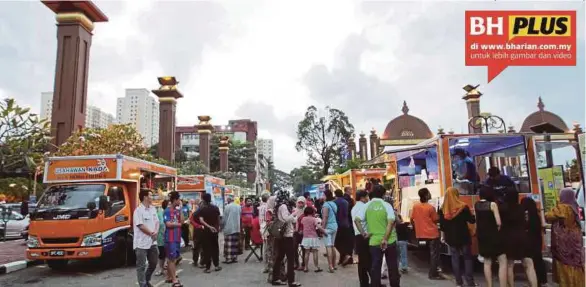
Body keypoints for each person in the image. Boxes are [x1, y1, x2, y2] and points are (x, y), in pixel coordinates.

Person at [356, 185, 400, 287]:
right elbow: (390, 222)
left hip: (374, 241)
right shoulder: (387, 205)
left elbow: (357, 220)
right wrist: (385, 239)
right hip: (390, 241)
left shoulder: (366, 206)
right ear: (383, 194)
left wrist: (363, 234)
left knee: (375, 267)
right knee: (392, 267)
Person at [545, 188, 585, 287]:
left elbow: (548, 216)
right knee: (576, 264)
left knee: (565, 265)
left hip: (564, 244)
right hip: (575, 241)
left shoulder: (563, 207)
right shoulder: (574, 206)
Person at [439, 187, 477, 287]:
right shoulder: (463, 207)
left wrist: (443, 236)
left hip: (451, 238)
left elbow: (442, 226)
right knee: (467, 258)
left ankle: (458, 282)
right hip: (464, 236)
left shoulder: (442, 210)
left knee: (455, 258)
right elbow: (471, 220)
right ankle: (470, 282)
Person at [500, 188, 537, 287]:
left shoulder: (502, 208)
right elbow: (526, 223)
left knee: (510, 265)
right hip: (522, 237)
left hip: (508, 238)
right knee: (529, 264)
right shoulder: (521, 208)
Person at [474, 186, 506, 287]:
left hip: (482, 236)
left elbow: (476, 220)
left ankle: (489, 285)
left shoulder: (477, 205)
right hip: (493, 236)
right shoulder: (492, 205)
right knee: (502, 260)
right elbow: (499, 222)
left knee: (487, 261)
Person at [409, 187, 443, 280]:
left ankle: (434, 271)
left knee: (429, 254)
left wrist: (417, 227)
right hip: (432, 234)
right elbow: (436, 220)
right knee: (434, 254)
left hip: (421, 234)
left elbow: (412, 219)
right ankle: (433, 274)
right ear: (426, 195)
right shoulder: (431, 207)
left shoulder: (415, 206)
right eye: (429, 193)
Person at [271, 190, 302, 287]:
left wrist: (293, 217)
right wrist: (294, 215)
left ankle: (275, 279)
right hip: (287, 236)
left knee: (279, 257)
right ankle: (291, 281)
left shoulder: (278, 206)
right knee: (290, 258)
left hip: (281, 236)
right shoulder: (284, 206)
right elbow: (286, 219)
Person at [133, 189, 159, 287]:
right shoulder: (138, 211)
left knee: (153, 263)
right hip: (141, 243)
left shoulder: (153, 208)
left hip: (152, 242)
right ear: (145, 197)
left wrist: (155, 232)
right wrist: (152, 233)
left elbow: (157, 222)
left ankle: (146, 280)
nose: (152, 197)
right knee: (141, 266)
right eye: (151, 195)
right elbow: (140, 225)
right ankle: (143, 285)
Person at [522, 197, 547, 286]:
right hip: (537, 239)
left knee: (529, 263)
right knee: (538, 259)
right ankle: (541, 279)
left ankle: (533, 281)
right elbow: (542, 226)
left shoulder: (525, 215)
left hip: (528, 240)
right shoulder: (536, 215)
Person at [198, 193, 222, 273]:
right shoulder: (215, 208)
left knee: (206, 249)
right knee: (215, 247)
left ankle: (208, 268)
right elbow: (218, 219)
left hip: (206, 231)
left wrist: (208, 227)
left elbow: (201, 220)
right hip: (214, 231)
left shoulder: (202, 209)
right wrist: (217, 227)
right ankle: (217, 265)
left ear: (203, 200)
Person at [352, 190, 371, 287]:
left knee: (362, 261)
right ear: (362, 198)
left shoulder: (354, 208)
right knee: (368, 260)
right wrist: (364, 233)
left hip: (357, 236)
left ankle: (364, 283)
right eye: (367, 197)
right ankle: (372, 282)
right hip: (365, 236)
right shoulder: (364, 207)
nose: (368, 199)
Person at [164, 191, 183, 287]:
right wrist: (178, 224)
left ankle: (168, 277)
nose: (180, 201)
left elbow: (182, 222)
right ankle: (174, 280)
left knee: (173, 258)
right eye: (179, 199)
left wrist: (181, 209)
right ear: (175, 200)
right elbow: (168, 224)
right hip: (170, 238)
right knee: (171, 259)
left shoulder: (177, 211)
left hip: (177, 237)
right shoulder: (167, 211)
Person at [300, 206, 324, 272]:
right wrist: (324, 231)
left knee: (306, 253)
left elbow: (302, 225)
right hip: (313, 237)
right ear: (313, 212)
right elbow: (318, 227)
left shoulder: (303, 219)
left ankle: (305, 267)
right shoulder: (314, 219)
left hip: (306, 237)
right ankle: (316, 267)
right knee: (315, 252)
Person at [333, 189, 353, 266]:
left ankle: (345, 255)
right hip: (346, 224)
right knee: (344, 242)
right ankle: (342, 259)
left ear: (335, 194)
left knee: (336, 242)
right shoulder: (346, 202)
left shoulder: (334, 203)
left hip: (337, 224)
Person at [321, 190, 338, 273]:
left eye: (323, 195)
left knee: (328, 246)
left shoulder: (325, 205)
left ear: (326, 196)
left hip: (328, 227)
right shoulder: (334, 204)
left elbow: (325, 218)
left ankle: (330, 266)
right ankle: (334, 265)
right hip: (335, 226)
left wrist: (322, 229)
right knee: (332, 245)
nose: (322, 196)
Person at [223, 197, 242, 264]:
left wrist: (222, 226)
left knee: (229, 244)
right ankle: (234, 257)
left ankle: (228, 259)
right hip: (237, 227)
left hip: (229, 227)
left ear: (228, 200)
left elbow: (224, 218)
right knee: (235, 243)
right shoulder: (239, 207)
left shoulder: (227, 207)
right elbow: (240, 217)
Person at [189, 198, 205, 268]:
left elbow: (191, 220)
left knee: (201, 247)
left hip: (202, 231)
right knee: (197, 246)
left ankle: (201, 261)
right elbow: (191, 220)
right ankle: (196, 260)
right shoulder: (196, 212)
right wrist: (198, 226)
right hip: (198, 231)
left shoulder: (201, 212)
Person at [155, 200, 168, 277]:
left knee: (169, 253)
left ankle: (168, 268)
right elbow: (160, 224)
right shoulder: (160, 213)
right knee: (162, 253)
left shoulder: (171, 212)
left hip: (169, 236)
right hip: (161, 237)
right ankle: (161, 269)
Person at [293, 196, 306, 270]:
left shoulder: (306, 211)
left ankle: (304, 264)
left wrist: (302, 230)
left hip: (304, 233)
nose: (300, 205)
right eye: (299, 203)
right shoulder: (294, 211)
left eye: (302, 203)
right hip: (295, 232)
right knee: (294, 247)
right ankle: (296, 263)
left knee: (304, 248)